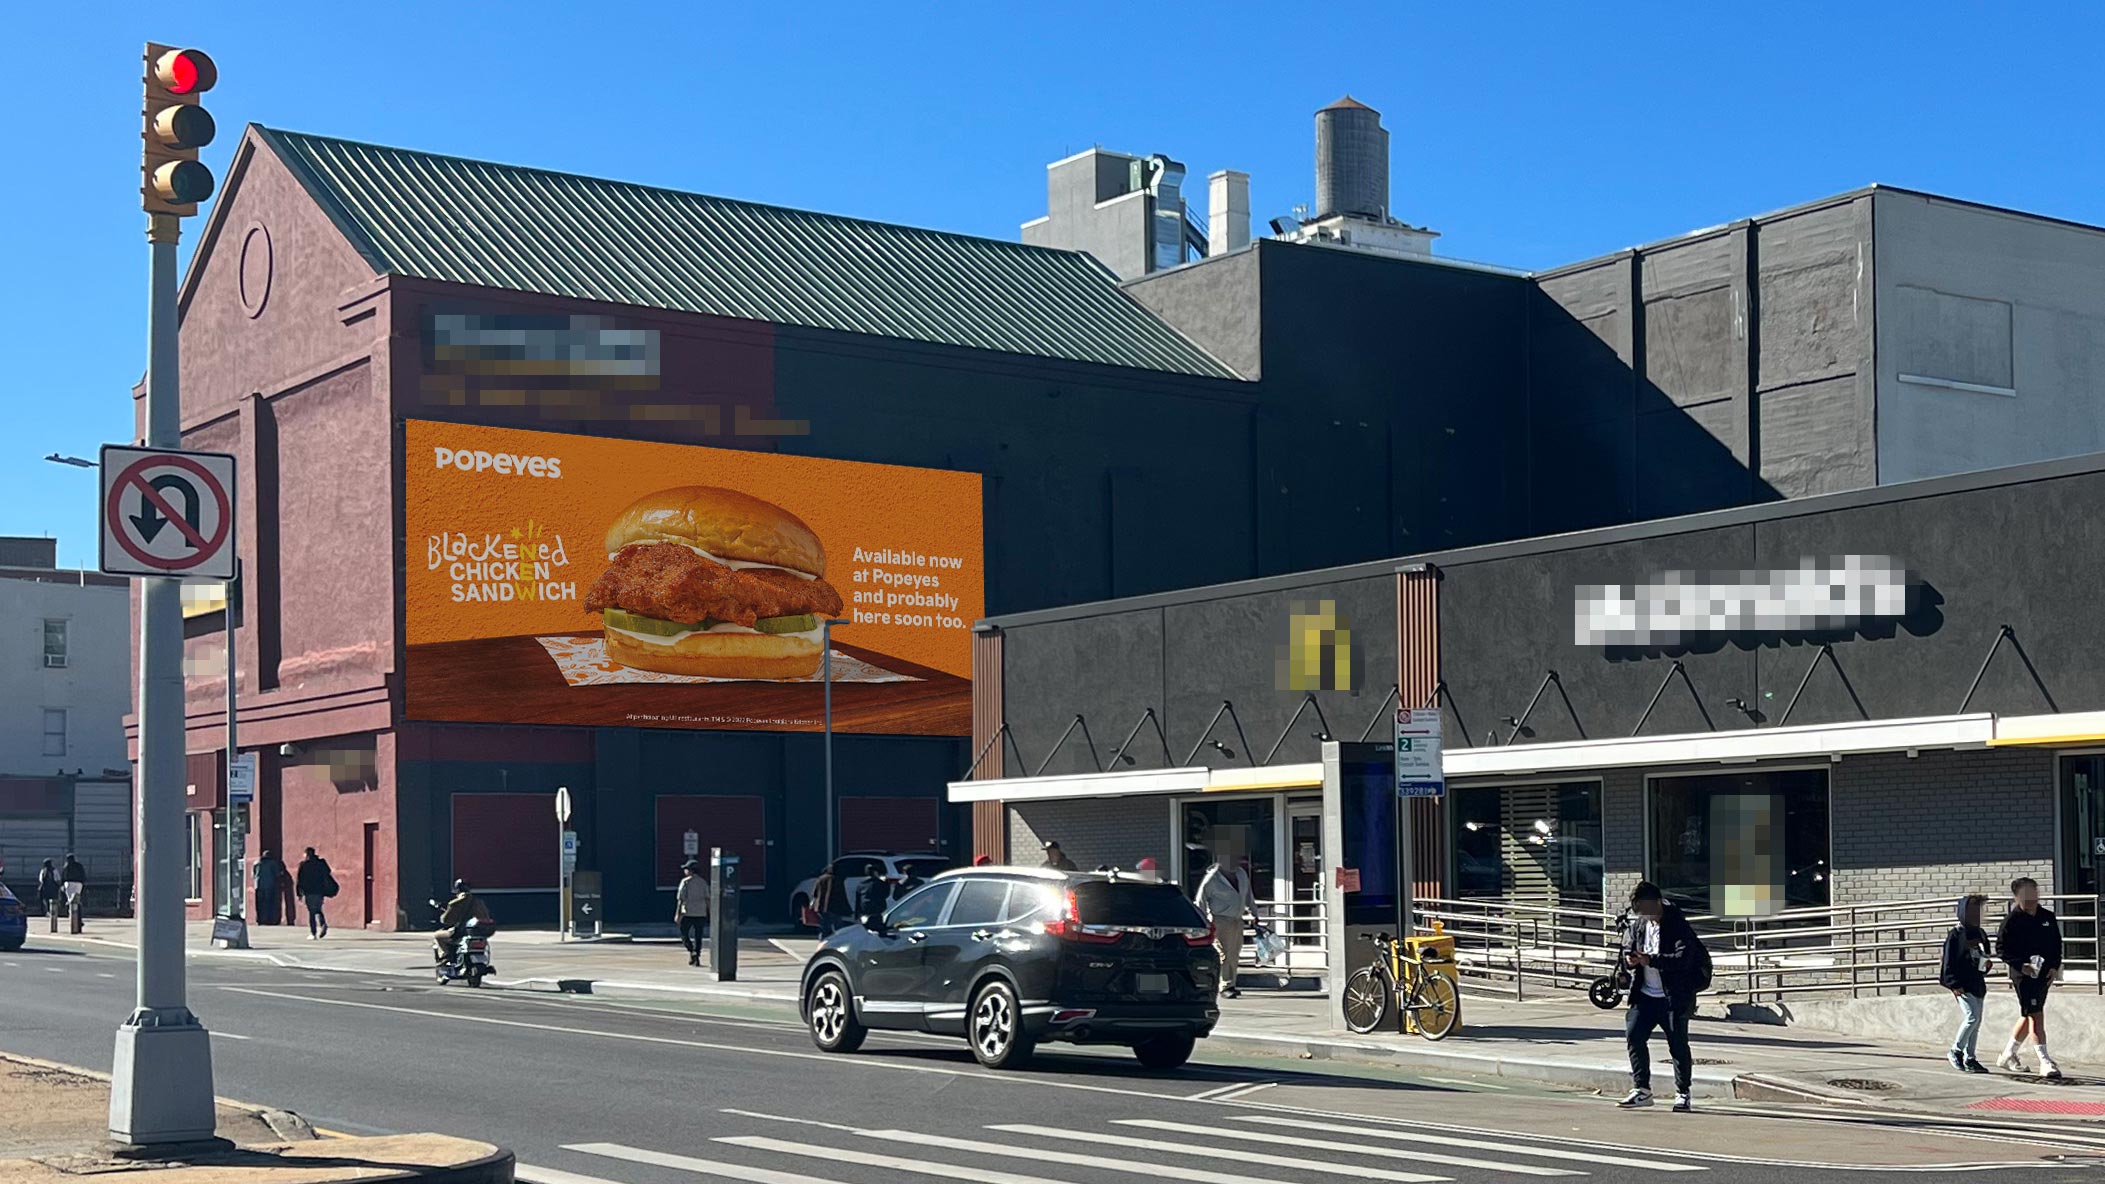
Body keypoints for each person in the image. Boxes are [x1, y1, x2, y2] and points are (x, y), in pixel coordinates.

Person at [1617, 881, 1710, 1113]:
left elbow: (1683, 960)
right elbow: (1627, 949)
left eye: (1648, 910)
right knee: (1634, 1036)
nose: (1646, 916)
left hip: (1673, 996)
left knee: (1677, 1044)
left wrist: (1652, 960)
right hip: (1645, 993)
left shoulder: (1678, 926)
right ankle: (1642, 1089)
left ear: (1658, 902)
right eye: (1640, 912)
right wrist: (1628, 963)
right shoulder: (1639, 925)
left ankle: (1682, 1092)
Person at [1995, 876, 2064, 1079]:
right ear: (2017, 897)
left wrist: (2054, 966)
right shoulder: (2011, 921)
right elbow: (2001, 949)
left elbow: (2056, 943)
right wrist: (2020, 965)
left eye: (2034, 892)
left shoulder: (2047, 917)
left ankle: (2008, 1054)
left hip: (2044, 973)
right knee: (2036, 1014)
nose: (2031, 898)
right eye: (2026, 895)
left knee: (2029, 1013)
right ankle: (2045, 1061)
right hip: (2023, 975)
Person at [1939, 894, 1993, 1073]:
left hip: (1977, 983)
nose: (1975, 916)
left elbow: (1984, 956)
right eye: (1971, 911)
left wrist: (1986, 965)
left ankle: (1970, 1057)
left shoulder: (1980, 933)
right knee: (1972, 1016)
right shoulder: (1955, 935)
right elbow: (1948, 961)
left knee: (1976, 1022)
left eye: (1977, 911)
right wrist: (1953, 984)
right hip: (1962, 984)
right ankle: (1955, 1050)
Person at [1194, 853, 1254, 999]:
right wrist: (1202, 923)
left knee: (1234, 954)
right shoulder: (1212, 878)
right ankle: (1224, 986)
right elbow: (1200, 900)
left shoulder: (1241, 874)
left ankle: (1230, 984)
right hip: (1219, 920)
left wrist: (1254, 913)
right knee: (1223, 954)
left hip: (1237, 920)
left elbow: (1248, 896)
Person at [433, 879, 491, 964]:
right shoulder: (478, 902)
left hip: (461, 932)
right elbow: (486, 917)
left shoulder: (455, 904)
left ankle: (445, 957)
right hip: (477, 933)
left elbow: (446, 920)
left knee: (437, 935)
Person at [674, 859, 710, 966]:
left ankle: (691, 950)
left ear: (691, 870)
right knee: (698, 935)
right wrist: (709, 912)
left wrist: (678, 914)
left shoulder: (685, 882)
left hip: (688, 912)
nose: (684, 871)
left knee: (684, 933)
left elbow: (680, 899)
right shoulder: (703, 882)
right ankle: (696, 954)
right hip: (701, 912)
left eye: (686, 869)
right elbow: (707, 898)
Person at [295, 847, 333, 939]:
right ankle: (323, 924)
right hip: (320, 890)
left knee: (311, 912)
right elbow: (328, 872)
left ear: (306, 854)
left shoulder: (304, 865)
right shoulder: (321, 863)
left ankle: (313, 933)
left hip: (309, 891)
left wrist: (299, 893)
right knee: (318, 909)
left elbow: (299, 880)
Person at [251, 850, 287, 926]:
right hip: (269, 885)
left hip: (258, 885)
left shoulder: (256, 863)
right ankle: (268, 919)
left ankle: (259, 919)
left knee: (259, 904)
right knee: (268, 903)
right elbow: (277, 874)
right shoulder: (272, 863)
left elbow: (253, 875)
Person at [853, 861, 892, 926]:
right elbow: (886, 894)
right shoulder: (880, 883)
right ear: (875, 872)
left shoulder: (861, 884)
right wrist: (887, 883)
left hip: (865, 910)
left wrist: (857, 915)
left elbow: (858, 900)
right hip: (877, 910)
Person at [809, 865, 840, 937]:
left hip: (821, 906)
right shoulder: (836, 879)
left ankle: (823, 939)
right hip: (833, 906)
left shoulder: (820, 879)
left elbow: (815, 893)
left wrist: (812, 903)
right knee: (837, 925)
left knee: (824, 925)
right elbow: (841, 894)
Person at [60, 854, 86, 926]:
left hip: (69, 883)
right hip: (78, 883)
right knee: (77, 900)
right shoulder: (79, 866)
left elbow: (63, 876)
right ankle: (78, 917)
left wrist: (62, 885)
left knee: (70, 901)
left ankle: (72, 916)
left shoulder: (66, 866)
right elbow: (83, 875)